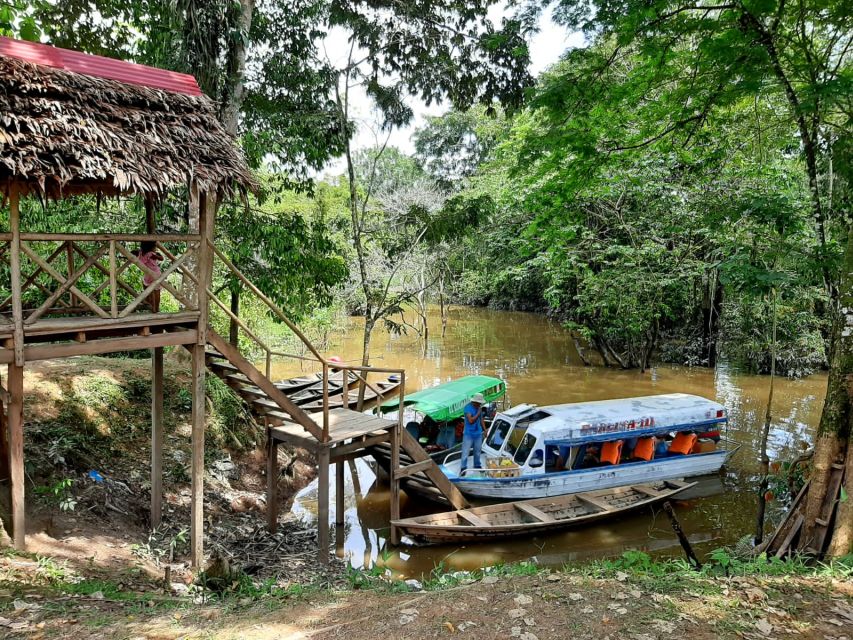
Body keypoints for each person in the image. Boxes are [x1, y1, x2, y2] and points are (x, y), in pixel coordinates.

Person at [460, 393, 486, 476]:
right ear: (474, 401)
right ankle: (463, 468)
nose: (479, 404)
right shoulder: (467, 408)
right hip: (468, 434)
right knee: (465, 452)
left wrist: (485, 430)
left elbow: (481, 419)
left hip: (478, 433)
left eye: (480, 403)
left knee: (478, 451)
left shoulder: (479, 408)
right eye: (478, 403)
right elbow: (471, 421)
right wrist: (478, 413)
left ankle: (477, 465)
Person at [136, 241, 163, 312]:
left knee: (147, 287)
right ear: (150, 248)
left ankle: (150, 303)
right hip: (155, 274)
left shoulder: (140, 254)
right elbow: (161, 258)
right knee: (156, 291)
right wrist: (157, 255)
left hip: (148, 274)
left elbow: (140, 261)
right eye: (155, 247)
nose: (156, 249)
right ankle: (156, 308)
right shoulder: (151, 254)